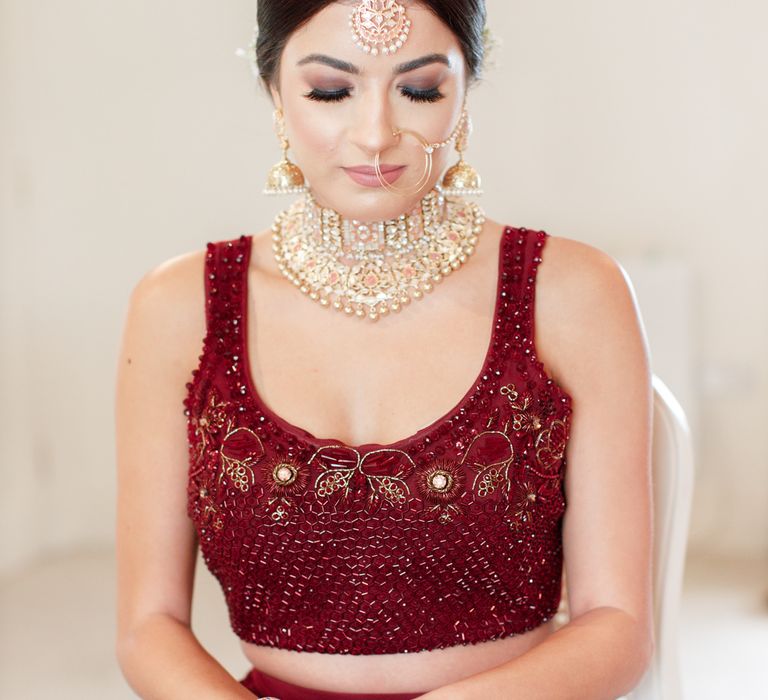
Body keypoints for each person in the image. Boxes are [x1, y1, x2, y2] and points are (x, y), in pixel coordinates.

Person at [114, 1, 655, 698]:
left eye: (420, 90)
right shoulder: (181, 306)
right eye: (332, 92)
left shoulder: (571, 292)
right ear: (275, 90)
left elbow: (618, 625)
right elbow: (146, 626)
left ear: (466, 90)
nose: (375, 135)